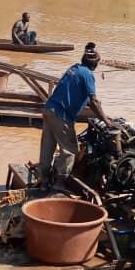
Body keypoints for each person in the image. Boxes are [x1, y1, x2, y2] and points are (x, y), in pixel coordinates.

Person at [38, 43, 109, 189]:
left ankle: (44, 181)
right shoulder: (88, 74)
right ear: (95, 65)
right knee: (70, 150)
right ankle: (59, 183)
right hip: (62, 115)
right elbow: (94, 100)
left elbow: (82, 96)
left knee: (47, 147)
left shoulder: (74, 68)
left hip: (49, 109)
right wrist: (107, 121)